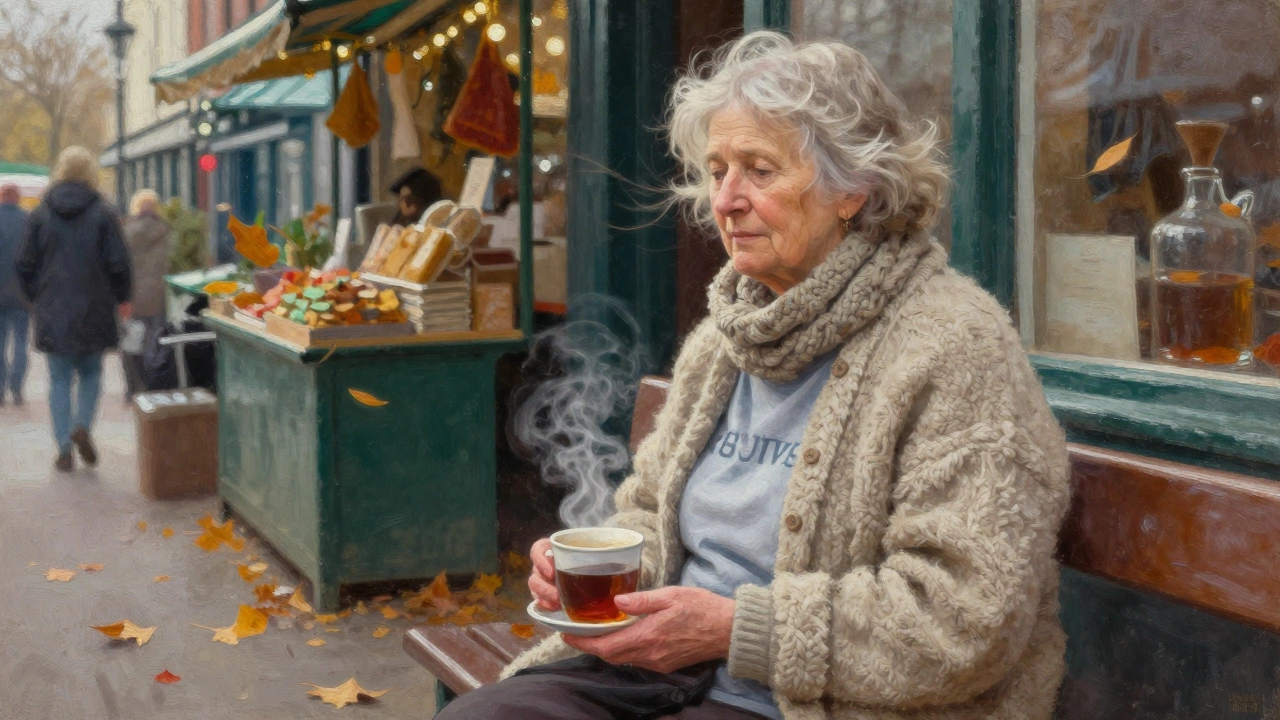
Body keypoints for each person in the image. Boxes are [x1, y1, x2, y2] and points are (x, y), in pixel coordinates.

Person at [440, 32, 1070, 720]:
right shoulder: (722, 340)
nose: (727, 200)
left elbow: (965, 620)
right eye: (716, 171)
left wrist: (739, 630)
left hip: (817, 704)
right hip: (665, 672)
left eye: (759, 170)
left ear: (853, 188)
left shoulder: (955, 345)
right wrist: (605, 579)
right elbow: (650, 513)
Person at [16, 147, 132, 472]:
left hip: (54, 308)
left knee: (58, 378)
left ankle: (64, 447)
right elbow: (118, 263)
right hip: (94, 307)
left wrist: (36, 296)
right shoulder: (103, 213)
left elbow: (24, 264)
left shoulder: (41, 214)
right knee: (92, 372)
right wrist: (122, 295)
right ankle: (82, 424)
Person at [120, 189, 171, 398]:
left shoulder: (126, 232)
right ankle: (152, 384)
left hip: (133, 297)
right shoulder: (166, 231)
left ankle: (132, 386)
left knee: (131, 342)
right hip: (160, 296)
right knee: (156, 340)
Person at [0, 184, 30, 405]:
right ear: (18, 198)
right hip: (22, 293)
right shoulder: (27, 221)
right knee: (20, 341)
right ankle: (17, 387)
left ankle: (0, 389)